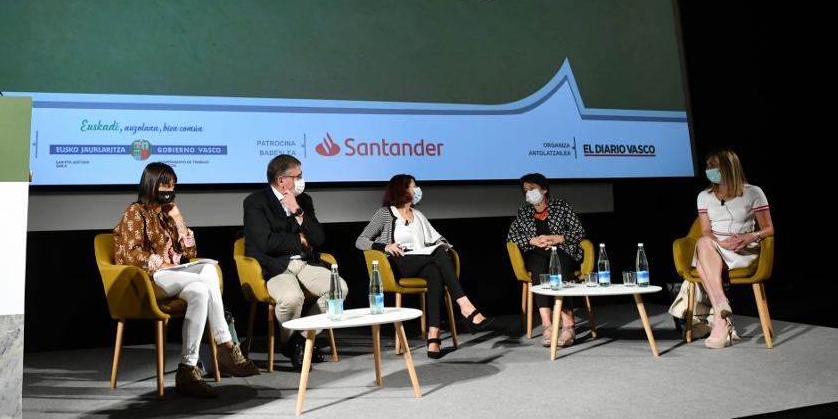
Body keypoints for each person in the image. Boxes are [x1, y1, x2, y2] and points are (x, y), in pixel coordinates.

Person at [113, 162, 259, 398]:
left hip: (170, 277)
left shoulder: (167, 215)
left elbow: (189, 253)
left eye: (173, 184)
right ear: (151, 185)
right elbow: (131, 253)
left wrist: (178, 219)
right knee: (209, 272)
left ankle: (187, 369)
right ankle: (226, 345)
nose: (170, 189)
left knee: (201, 291)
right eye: (165, 184)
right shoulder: (135, 211)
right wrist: (163, 263)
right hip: (147, 281)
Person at [355, 174, 491, 359]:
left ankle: (433, 336)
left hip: (421, 260)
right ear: (402, 190)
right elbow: (360, 241)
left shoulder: (418, 215)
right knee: (439, 254)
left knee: (435, 270)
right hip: (399, 262)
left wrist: (441, 243)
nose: (417, 190)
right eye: (414, 187)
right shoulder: (385, 213)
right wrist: (385, 246)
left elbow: (436, 237)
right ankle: (465, 305)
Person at [242, 154, 347, 369]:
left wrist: (297, 211)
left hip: (306, 263)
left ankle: (297, 341)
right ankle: (296, 344)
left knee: (338, 289)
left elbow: (318, 238)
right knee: (291, 298)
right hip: (274, 265)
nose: (301, 180)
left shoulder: (304, 201)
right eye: (297, 176)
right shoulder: (255, 202)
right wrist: (298, 239)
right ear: (282, 180)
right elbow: (266, 243)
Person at [695, 149, 774, 349]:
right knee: (703, 243)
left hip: (743, 250)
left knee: (700, 265)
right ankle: (721, 307)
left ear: (728, 167)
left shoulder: (753, 192)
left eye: (713, 165)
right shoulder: (704, 196)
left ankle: (721, 319)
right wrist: (719, 243)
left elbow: (769, 229)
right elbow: (705, 230)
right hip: (716, 248)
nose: (709, 169)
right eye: (708, 166)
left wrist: (750, 236)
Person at [506, 173, 586, 348]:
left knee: (560, 268)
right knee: (537, 267)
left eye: (532, 189)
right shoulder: (524, 212)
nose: (529, 193)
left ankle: (568, 325)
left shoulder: (561, 206)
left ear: (544, 189)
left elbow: (579, 232)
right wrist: (531, 240)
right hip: (538, 252)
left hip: (562, 250)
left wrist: (558, 238)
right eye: (526, 190)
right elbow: (511, 236)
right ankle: (548, 325)